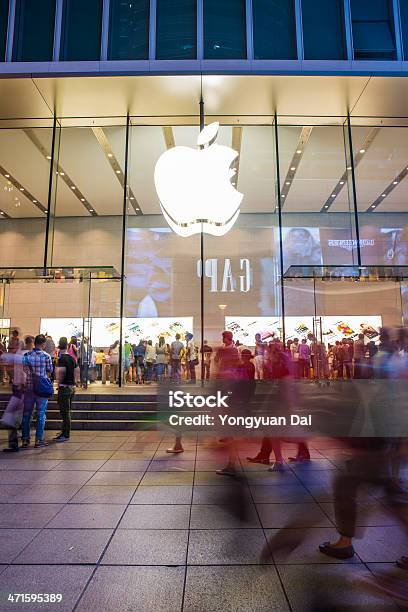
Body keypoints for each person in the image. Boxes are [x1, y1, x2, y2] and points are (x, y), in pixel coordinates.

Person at [21, 334, 53, 449]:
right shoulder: (46, 356)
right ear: (43, 344)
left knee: (26, 414)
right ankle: (39, 440)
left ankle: (25, 440)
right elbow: (49, 372)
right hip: (41, 390)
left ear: (35, 343)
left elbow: (24, 371)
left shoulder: (26, 356)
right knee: (41, 414)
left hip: (29, 389)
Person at [2, 336, 33, 452]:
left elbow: (23, 372)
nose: (10, 348)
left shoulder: (21, 356)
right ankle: (21, 439)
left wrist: (22, 384)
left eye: (12, 346)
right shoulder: (24, 355)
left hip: (20, 391)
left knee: (10, 416)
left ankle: (15, 442)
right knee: (16, 416)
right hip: (22, 391)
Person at [53, 337, 79, 442]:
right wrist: (75, 382)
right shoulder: (72, 358)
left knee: (64, 412)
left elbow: (61, 373)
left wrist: (59, 383)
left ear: (59, 346)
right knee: (67, 411)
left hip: (64, 388)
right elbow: (77, 371)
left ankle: (65, 434)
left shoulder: (61, 359)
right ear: (67, 346)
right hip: (72, 388)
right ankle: (64, 430)